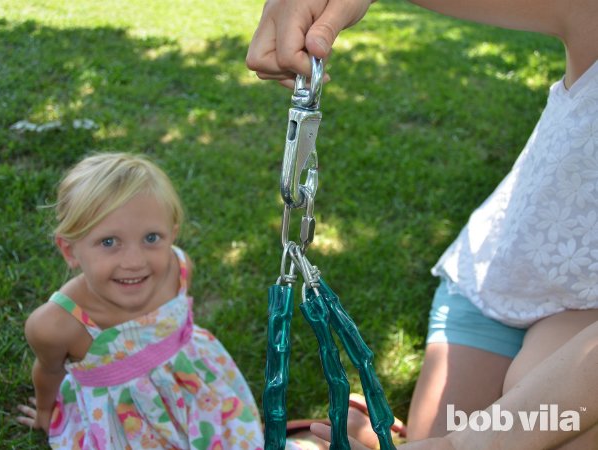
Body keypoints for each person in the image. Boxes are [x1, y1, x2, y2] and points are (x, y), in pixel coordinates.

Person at [246, 0, 598, 449]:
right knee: (445, 432)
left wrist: (459, 446)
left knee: (551, 427)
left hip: (587, 313)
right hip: (495, 276)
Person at [16, 152, 266, 449]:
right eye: (109, 242)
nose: (134, 262)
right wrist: (46, 411)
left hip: (193, 390)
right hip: (120, 421)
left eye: (151, 238)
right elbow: (49, 370)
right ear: (70, 251)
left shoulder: (178, 267)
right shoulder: (56, 324)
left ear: (172, 235)